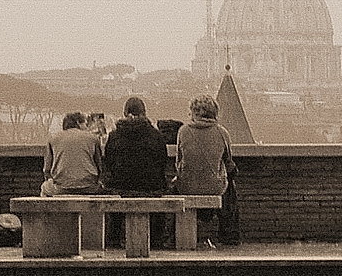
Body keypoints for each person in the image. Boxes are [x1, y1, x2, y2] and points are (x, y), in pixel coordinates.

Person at [102, 97, 170, 248]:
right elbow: (162, 162)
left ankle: (113, 239)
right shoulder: (156, 135)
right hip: (151, 188)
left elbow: (109, 163)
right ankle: (156, 240)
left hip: (120, 188)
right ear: (144, 113)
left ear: (125, 113)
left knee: (114, 190)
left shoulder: (114, 136)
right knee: (159, 190)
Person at [175, 94, 239, 247]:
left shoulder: (183, 131)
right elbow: (228, 161)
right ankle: (229, 235)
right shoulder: (222, 133)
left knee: (175, 186)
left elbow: (178, 162)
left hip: (187, 187)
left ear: (194, 112)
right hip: (215, 187)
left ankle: (173, 235)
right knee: (230, 189)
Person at [41, 112, 103, 196]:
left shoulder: (53, 139)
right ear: (78, 123)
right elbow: (99, 167)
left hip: (61, 187)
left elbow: (46, 170)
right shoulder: (92, 138)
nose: (87, 126)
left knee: (44, 187)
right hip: (89, 186)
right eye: (85, 123)